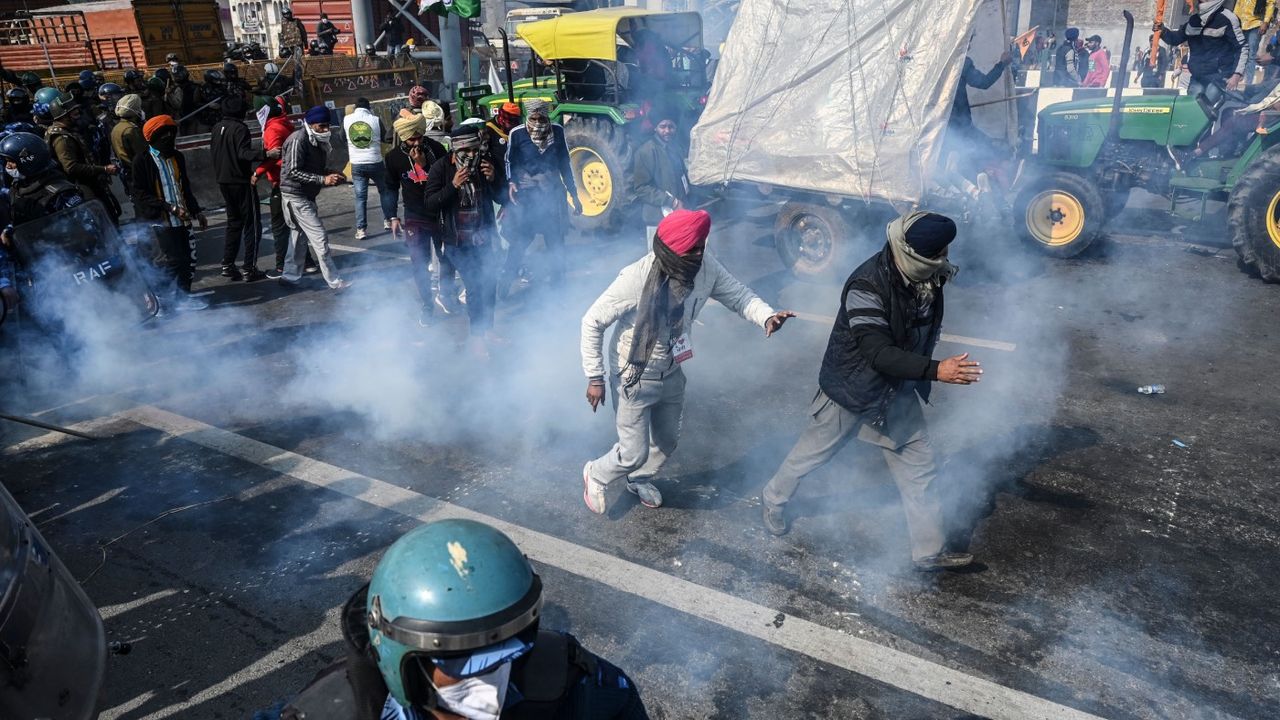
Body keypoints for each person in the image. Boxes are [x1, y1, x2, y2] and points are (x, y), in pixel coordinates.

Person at [759, 212, 980, 571]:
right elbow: (877, 353)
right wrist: (937, 370)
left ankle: (928, 552)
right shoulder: (867, 286)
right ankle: (773, 498)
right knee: (810, 456)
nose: (946, 258)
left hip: (897, 391)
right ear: (918, 255)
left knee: (920, 465)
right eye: (940, 252)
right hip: (851, 392)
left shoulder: (926, 275)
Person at [272, 518, 648, 720]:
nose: (490, 694)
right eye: (462, 667)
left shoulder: (580, 688)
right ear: (401, 660)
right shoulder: (322, 710)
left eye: (503, 660)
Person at [580, 210, 795, 513]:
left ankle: (638, 480)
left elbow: (738, 295)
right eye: (691, 249)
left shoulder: (706, 268)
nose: (699, 254)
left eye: (701, 246)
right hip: (635, 373)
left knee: (667, 442)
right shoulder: (636, 277)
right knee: (632, 452)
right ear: (671, 250)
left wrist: (766, 316)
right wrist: (595, 378)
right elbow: (592, 321)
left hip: (672, 369)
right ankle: (597, 473)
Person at [425, 124, 503, 353]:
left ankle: (488, 330)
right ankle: (477, 337)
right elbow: (430, 203)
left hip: (483, 237)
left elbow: (502, 198)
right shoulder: (441, 168)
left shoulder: (484, 165)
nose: (472, 155)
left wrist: (495, 179)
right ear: (456, 149)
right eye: (467, 151)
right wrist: (453, 186)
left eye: (475, 149)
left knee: (489, 284)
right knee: (475, 286)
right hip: (456, 241)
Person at [131, 115, 209, 312]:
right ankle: (160, 301)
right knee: (169, 263)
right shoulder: (142, 160)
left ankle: (183, 298)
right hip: (159, 221)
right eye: (163, 136)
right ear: (153, 139)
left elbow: (185, 187)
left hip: (181, 220)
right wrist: (168, 207)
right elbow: (139, 193)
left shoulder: (177, 157)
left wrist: (196, 211)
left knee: (186, 261)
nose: (168, 139)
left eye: (171, 135)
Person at [501, 100, 579, 294]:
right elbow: (510, 161)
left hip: (552, 195)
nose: (537, 123)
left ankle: (559, 289)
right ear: (528, 117)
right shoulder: (517, 133)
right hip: (527, 198)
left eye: (541, 118)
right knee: (519, 242)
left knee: (556, 244)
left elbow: (565, 164)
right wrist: (513, 181)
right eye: (533, 118)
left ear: (547, 117)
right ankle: (504, 286)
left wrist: (574, 194)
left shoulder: (558, 131)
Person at [386, 114, 451, 327]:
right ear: (403, 138)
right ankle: (427, 305)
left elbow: (446, 179)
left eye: (419, 137)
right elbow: (390, 188)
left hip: (440, 212)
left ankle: (447, 295)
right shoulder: (393, 157)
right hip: (415, 216)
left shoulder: (436, 149)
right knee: (419, 264)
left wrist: (424, 164)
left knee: (447, 257)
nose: (416, 143)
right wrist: (392, 216)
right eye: (411, 140)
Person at [280, 105, 351, 290]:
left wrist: (330, 173)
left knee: (298, 239)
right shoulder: (298, 140)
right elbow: (293, 171)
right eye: (322, 126)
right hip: (297, 197)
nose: (326, 130)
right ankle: (335, 282)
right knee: (320, 239)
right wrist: (323, 179)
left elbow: (312, 168)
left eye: (328, 125)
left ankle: (289, 277)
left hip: (303, 196)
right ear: (311, 124)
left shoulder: (315, 140)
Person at [212, 95, 275, 282]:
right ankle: (249, 268)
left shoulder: (216, 128)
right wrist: (266, 154)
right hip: (240, 181)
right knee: (252, 225)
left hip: (223, 181)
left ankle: (228, 264)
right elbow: (243, 154)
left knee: (233, 223)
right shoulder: (240, 129)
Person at [44, 93, 120, 224]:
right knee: (103, 221)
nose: (77, 112)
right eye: (73, 111)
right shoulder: (62, 138)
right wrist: (104, 169)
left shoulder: (68, 131)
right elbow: (71, 167)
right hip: (82, 187)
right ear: (63, 114)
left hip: (89, 183)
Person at [1157, 0, 1249, 98]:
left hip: (1220, 78)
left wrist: (1236, 75)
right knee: (1192, 109)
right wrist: (1162, 31)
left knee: (1210, 108)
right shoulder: (1193, 20)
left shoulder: (1228, 18)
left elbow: (1242, 47)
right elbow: (1175, 39)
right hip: (1197, 77)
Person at [254, 96, 300, 280]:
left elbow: (274, 155)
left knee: (279, 226)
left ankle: (282, 266)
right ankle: (308, 263)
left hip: (282, 182)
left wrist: (257, 172)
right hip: (290, 180)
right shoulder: (284, 123)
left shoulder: (272, 129)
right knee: (297, 224)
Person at [631, 111, 690, 248]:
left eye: (671, 126)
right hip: (657, 219)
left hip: (678, 216)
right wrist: (672, 201)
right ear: (655, 128)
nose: (667, 131)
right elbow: (641, 189)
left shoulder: (676, 147)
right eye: (663, 126)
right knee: (657, 260)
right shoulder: (646, 152)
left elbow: (682, 178)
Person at [343, 97, 395, 240]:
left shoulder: (347, 120)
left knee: (360, 197)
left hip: (356, 164)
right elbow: (386, 138)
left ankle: (361, 230)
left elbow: (342, 138)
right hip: (375, 162)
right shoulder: (375, 119)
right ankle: (388, 221)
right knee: (384, 192)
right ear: (369, 108)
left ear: (355, 108)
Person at [110, 94, 147, 194]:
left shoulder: (116, 128)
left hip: (127, 173)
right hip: (139, 175)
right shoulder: (131, 130)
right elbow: (142, 154)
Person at [1234, 0, 1275, 85]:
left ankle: (1248, 84)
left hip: (1256, 23)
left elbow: (1271, 3)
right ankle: (1235, 79)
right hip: (1240, 22)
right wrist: (1234, 18)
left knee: (1251, 54)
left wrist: (1266, 22)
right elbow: (1238, 3)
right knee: (1237, 52)